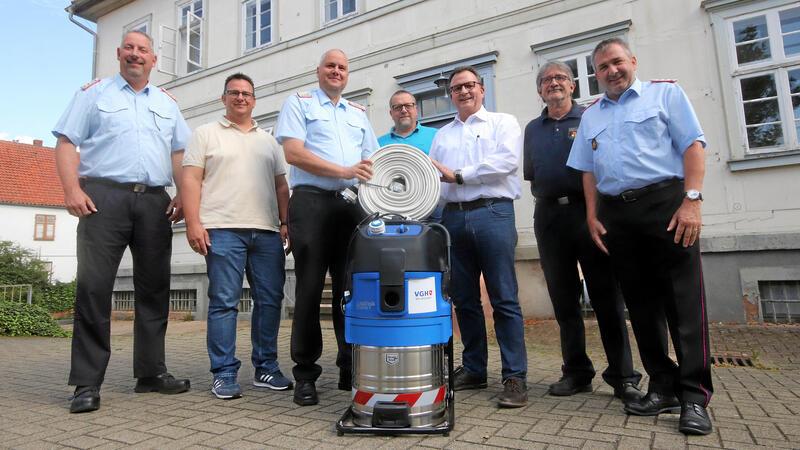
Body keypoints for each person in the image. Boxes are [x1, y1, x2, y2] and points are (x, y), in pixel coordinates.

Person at [567, 38, 713, 435]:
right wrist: (593, 215)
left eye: (617, 62)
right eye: (603, 67)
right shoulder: (592, 115)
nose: (611, 71)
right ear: (595, 74)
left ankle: (694, 396)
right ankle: (662, 386)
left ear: (632, 61)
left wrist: (692, 201)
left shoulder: (665, 94)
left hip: (667, 206)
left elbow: (693, 146)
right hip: (618, 215)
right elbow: (588, 171)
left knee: (683, 305)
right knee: (641, 307)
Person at [53, 30, 191, 414]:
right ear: (118, 54)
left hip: (154, 201)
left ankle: (150, 372)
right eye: (129, 48)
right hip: (103, 198)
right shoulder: (93, 93)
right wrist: (71, 189)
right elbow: (66, 143)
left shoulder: (167, 103)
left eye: (143, 49)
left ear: (153, 59)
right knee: (94, 289)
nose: (135, 54)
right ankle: (86, 382)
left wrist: (183, 194)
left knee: (155, 289)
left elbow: (179, 154)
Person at [523, 61, 643, 402]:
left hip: (589, 213)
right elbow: (532, 173)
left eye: (560, 78)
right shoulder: (532, 129)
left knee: (606, 297)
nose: (553, 83)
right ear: (539, 90)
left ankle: (623, 376)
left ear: (572, 85)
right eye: (546, 80)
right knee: (564, 300)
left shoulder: (590, 118)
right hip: (549, 217)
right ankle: (576, 372)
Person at [274, 49, 379, 406]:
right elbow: (293, 153)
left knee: (351, 292)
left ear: (347, 75)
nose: (336, 71)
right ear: (318, 71)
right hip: (311, 203)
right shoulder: (299, 103)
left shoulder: (358, 113)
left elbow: (371, 161)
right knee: (309, 290)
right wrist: (344, 171)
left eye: (342, 67)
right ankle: (305, 374)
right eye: (330, 66)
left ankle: (350, 366)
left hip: (351, 206)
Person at [182, 73, 292, 400]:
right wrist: (193, 223)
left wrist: (286, 221)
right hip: (222, 229)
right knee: (224, 302)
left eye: (246, 93)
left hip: (267, 232)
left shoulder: (269, 141)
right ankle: (224, 372)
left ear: (254, 100)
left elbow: (281, 186)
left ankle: (266, 368)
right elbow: (190, 180)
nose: (241, 97)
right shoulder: (205, 134)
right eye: (234, 92)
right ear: (224, 98)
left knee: (270, 301)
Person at [429, 66, 528, 408]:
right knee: (464, 299)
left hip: (493, 213)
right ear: (451, 95)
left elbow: (505, 163)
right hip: (452, 218)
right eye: (456, 88)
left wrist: (459, 175)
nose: (464, 91)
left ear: (482, 89)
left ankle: (514, 376)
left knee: (504, 298)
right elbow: (435, 180)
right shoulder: (442, 136)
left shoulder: (504, 123)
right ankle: (474, 368)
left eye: (469, 85)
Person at [377, 89, 437, 154]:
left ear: (416, 110)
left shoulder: (436, 136)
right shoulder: (378, 145)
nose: (404, 110)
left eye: (408, 105)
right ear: (391, 113)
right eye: (397, 107)